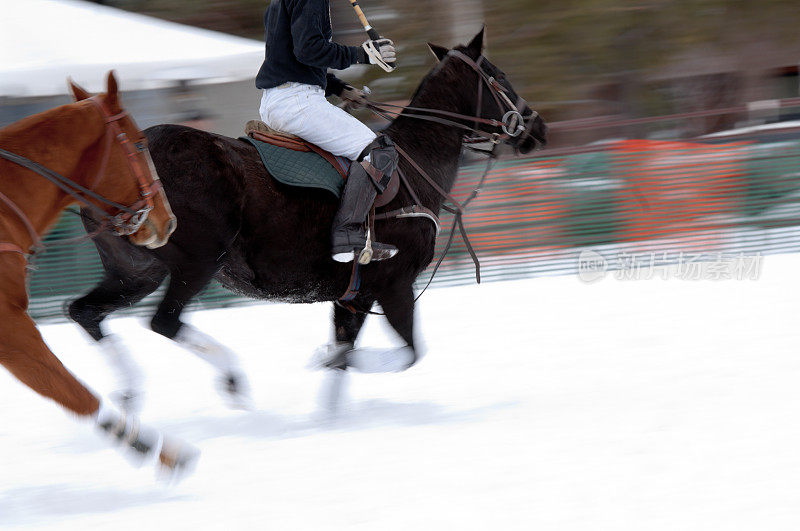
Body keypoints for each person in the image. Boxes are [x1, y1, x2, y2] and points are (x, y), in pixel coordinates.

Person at [256, 0, 399, 263]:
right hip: (298, 103)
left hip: (277, 101)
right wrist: (362, 55)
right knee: (379, 151)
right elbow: (308, 50)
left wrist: (340, 88)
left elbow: (291, 58)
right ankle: (347, 236)